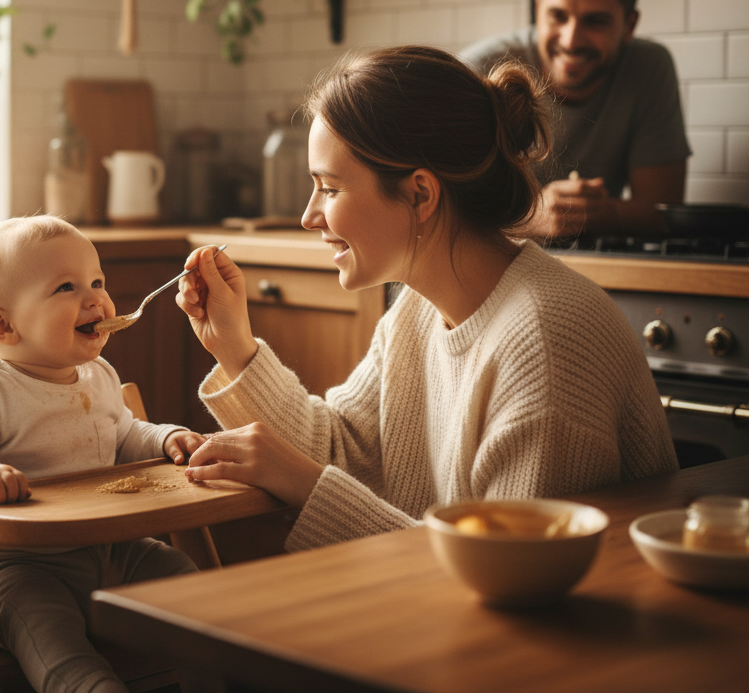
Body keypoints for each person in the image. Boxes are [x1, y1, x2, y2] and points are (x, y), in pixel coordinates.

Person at [177, 46, 677, 553]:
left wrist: (308, 487)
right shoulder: (418, 310)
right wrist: (234, 346)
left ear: (420, 194)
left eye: (329, 188)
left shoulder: (544, 345)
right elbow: (340, 447)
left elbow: (508, 568)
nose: (309, 217)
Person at [0, 215, 205, 693]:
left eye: (97, 282)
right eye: (67, 287)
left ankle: (218, 678)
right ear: (4, 325)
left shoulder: (101, 375)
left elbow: (123, 435)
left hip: (114, 549)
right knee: (57, 645)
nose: (95, 299)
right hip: (18, 568)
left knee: (190, 586)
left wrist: (163, 439)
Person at [459, 0, 690, 240]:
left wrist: (598, 213)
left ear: (629, 25)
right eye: (558, 16)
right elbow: (436, 210)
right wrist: (532, 216)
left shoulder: (649, 67)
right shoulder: (477, 70)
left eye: (595, 21)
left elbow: (663, 210)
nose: (571, 40)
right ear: (537, 11)